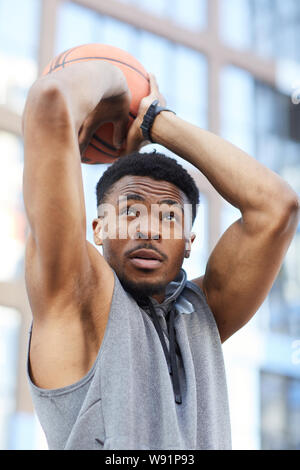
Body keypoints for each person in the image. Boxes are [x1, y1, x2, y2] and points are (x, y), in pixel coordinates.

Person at [22, 61, 300, 451]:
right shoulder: (77, 296)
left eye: (170, 217)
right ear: (99, 227)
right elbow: (48, 100)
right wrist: (118, 83)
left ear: (189, 241)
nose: (149, 229)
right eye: (131, 212)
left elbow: (277, 207)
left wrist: (157, 121)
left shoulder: (202, 315)